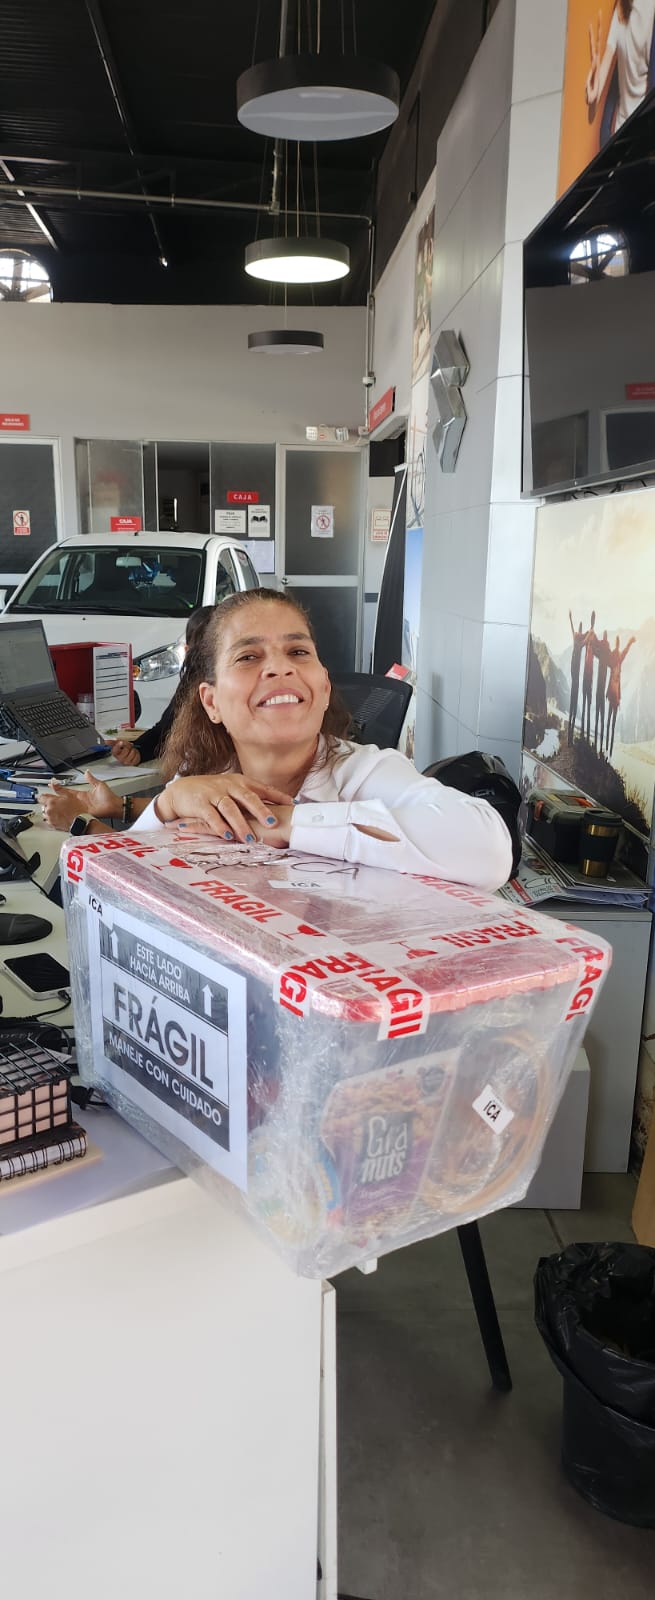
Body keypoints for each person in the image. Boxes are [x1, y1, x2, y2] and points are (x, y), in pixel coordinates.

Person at [130, 589, 512, 890]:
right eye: (248, 657)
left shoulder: (365, 772)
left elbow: (491, 850)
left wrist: (287, 823)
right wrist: (166, 803)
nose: (280, 667)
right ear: (211, 702)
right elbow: (129, 884)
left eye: (298, 651)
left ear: (324, 688)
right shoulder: (206, 774)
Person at [109, 604, 215, 766]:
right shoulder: (191, 681)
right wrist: (136, 751)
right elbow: (165, 731)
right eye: (204, 650)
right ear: (188, 652)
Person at [586, 1, 655, 134]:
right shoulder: (621, 6)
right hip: (620, 129)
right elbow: (609, 54)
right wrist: (594, 89)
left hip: (645, 130)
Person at [605, 632, 636, 758]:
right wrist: (629, 642)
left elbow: (625, 652)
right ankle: (608, 751)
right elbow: (624, 652)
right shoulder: (615, 660)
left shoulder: (615, 660)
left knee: (610, 723)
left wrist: (630, 642)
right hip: (614, 696)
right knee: (610, 723)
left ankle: (608, 751)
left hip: (614, 696)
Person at [568, 612, 588, 745]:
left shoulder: (576, 640)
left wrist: (570, 618)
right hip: (575, 672)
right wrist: (591, 629)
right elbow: (586, 638)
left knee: (573, 697)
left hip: (573, 669)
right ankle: (572, 723)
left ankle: (570, 729)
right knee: (574, 699)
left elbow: (572, 629)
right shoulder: (580, 643)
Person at [593, 629, 613, 750]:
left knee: (598, 706)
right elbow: (611, 664)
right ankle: (600, 743)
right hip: (603, 682)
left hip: (599, 683)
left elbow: (596, 651)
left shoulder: (601, 648)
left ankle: (597, 741)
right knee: (602, 710)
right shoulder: (608, 650)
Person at [580, 609, 597, 744]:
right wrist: (589, 634)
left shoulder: (593, 638)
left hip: (589, 676)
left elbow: (598, 648)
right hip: (586, 675)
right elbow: (582, 642)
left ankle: (585, 736)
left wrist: (592, 635)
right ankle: (582, 734)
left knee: (588, 703)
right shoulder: (588, 636)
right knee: (585, 703)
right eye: (592, 619)